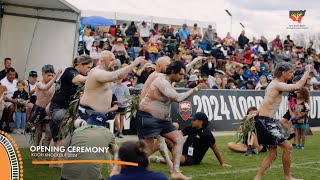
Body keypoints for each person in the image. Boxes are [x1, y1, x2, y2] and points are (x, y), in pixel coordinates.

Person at [136, 61, 207, 180]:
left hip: (163, 120)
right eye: (180, 74)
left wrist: (194, 62)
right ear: (172, 72)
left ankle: (176, 171)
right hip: (147, 117)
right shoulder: (161, 81)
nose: (182, 77)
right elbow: (178, 98)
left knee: (179, 139)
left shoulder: (170, 80)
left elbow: (182, 70)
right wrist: (196, 88)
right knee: (146, 150)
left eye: (183, 75)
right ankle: (126, 166)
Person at [253, 62, 312, 180]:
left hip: (263, 120)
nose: (291, 75)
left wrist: (258, 112)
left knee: (273, 153)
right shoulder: (277, 84)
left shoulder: (273, 84)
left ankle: (258, 177)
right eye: (290, 72)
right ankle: (287, 177)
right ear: (284, 72)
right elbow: (297, 86)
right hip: (266, 122)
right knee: (288, 147)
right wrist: (307, 72)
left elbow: (265, 101)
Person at [49, 55, 93, 166]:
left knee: (63, 134)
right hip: (58, 109)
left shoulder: (75, 73)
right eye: (88, 67)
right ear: (80, 65)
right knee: (69, 131)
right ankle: (61, 159)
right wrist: (95, 77)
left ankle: (55, 160)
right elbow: (80, 79)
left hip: (64, 109)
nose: (89, 70)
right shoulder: (70, 72)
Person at [79, 51, 146, 120]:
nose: (114, 62)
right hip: (90, 113)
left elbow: (121, 76)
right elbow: (115, 76)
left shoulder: (107, 71)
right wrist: (132, 65)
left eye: (114, 60)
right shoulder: (97, 72)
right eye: (111, 60)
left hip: (101, 114)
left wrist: (135, 66)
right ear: (102, 61)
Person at [151, 112, 232, 167]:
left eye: (194, 120)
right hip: (182, 149)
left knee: (177, 159)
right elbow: (177, 136)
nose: (192, 121)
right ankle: (145, 154)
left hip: (192, 158)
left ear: (201, 122)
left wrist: (222, 163)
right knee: (164, 138)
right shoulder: (191, 127)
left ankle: (158, 159)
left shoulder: (207, 134)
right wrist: (164, 133)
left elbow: (215, 149)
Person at [61, 112, 118, 180]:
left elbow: (64, 145)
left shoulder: (77, 130)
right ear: (103, 124)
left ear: (88, 120)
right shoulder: (107, 133)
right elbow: (116, 152)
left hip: (66, 175)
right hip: (91, 176)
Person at [29, 65, 62, 156]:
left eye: (52, 75)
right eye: (49, 75)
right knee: (38, 134)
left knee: (49, 133)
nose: (51, 77)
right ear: (43, 75)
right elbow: (45, 88)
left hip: (48, 110)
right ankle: (35, 154)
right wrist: (55, 77)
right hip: (39, 110)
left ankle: (43, 155)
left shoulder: (54, 85)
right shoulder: (39, 84)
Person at [279, 76, 301, 141]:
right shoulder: (291, 91)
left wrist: (295, 113)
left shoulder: (301, 92)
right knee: (281, 121)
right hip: (291, 110)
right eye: (293, 83)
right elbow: (289, 101)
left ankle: (294, 141)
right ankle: (292, 133)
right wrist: (291, 112)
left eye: (295, 83)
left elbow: (300, 104)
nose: (294, 85)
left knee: (292, 124)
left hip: (298, 110)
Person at [0, 67, 18, 132]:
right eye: (11, 74)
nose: (13, 76)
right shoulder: (2, 82)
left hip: (15, 99)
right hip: (5, 100)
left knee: (25, 105)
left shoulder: (16, 82)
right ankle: (6, 124)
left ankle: (22, 127)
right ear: (7, 74)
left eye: (14, 74)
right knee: (11, 106)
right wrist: (12, 101)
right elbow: (3, 96)